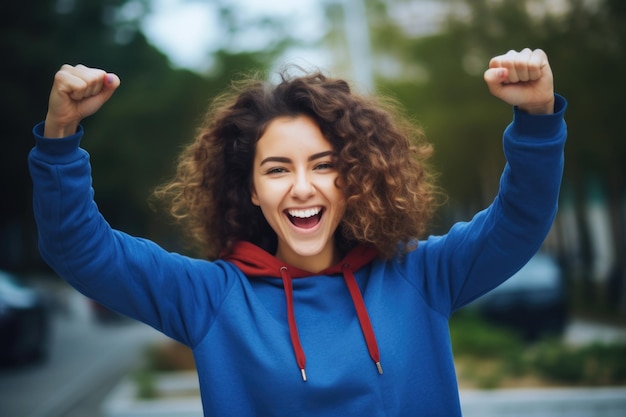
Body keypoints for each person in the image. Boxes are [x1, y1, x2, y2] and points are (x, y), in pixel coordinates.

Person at [29, 48, 567, 416]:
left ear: (352, 178)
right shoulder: (211, 299)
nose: (302, 187)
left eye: (325, 165)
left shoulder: (421, 275)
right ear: (253, 190)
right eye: (278, 169)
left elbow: (519, 219)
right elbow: (77, 247)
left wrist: (537, 118)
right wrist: (60, 138)